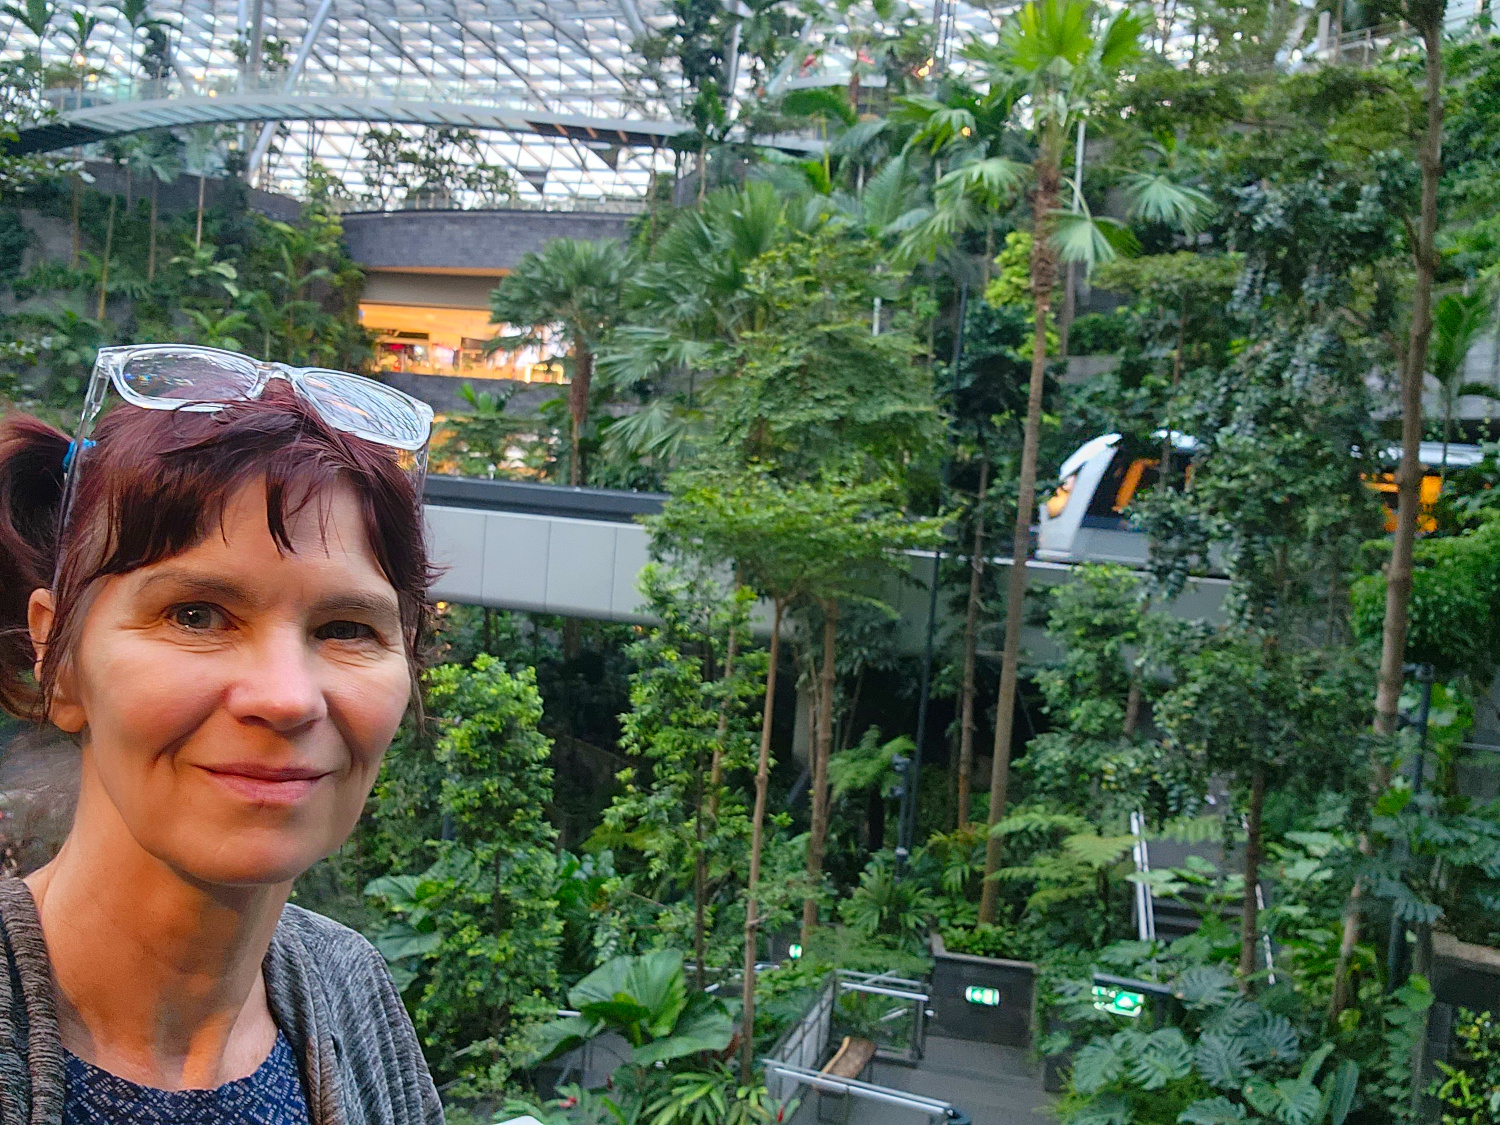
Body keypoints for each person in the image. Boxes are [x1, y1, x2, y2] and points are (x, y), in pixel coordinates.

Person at [0, 345, 443, 1123]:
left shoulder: (353, 991)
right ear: (59, 658)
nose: (287, 697)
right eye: (196, 615)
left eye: (346, 627)